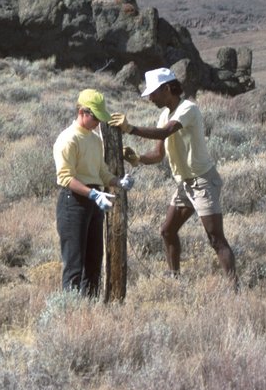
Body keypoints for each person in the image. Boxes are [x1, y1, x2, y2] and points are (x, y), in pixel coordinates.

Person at [109, 68, 238, 288]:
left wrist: (130, 129)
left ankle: (234, 288)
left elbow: (164, 133)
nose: (150, 98)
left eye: (153, 93)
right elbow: (158, 155)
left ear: (167, 88)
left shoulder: (187, 109)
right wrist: (138, 158)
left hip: (203, 181)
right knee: (167, 231)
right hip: (185, 184)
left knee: (215, 239)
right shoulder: (164, 114)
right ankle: (174, 278)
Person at [53, 89, 135, 298]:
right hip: (73, 202)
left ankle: (89, 310)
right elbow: (65, 177)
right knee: (74, 263)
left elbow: (100, 171)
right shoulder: (68, 139)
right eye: (95, 117)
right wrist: (93, 194)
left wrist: (118, 182)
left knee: (94, 261)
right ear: (82, 112)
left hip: (94, 201)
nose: (98, 122)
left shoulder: (95, 139)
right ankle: (70, 312)